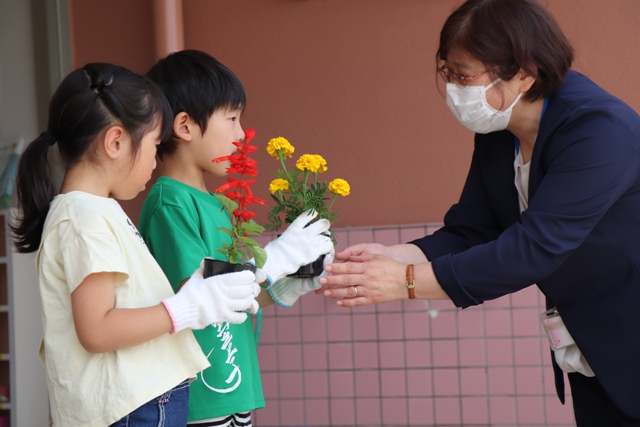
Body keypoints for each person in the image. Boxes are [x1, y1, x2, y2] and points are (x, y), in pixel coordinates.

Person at [320, 0, 640, 425]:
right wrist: (397, 255)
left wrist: (405, 282)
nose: (454, 87)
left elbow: (534, 248)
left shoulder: (598, 130)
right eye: (447, 72)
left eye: (464, 75)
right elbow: (472, 229)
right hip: (593, 352)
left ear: (524, 72)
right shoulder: (498, 130)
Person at [11, 63, 265, 427]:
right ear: (116, 142)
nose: (155, 159)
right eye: (154, 144)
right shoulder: (83, 217)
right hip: (133, 410)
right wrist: (183, 309)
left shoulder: (96, 210)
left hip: (143, 404)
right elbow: (96, 329)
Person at [140, 49, 334, 426]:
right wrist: (275, 257)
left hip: (234, 384)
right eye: (231, 119)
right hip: (199, 392)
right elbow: (195, 293)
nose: (241, 134)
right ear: (184, 126)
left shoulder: (219, 204)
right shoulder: (170, 202)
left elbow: (232, 297)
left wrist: (284, 284)